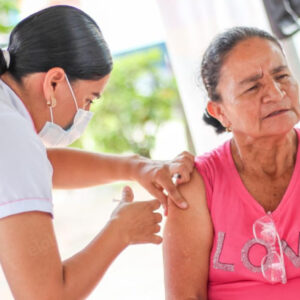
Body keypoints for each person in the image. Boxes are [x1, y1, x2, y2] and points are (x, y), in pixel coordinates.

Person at [0, 5, 194, 300]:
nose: (86, 113)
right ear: (54, 82)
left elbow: (38, 165)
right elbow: (45, 296)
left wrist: (136, 166)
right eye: (89, 99)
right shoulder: (10, 133)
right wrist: (121, 230)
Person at [163, 26, 300, 300]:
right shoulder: (198, 185)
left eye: (282, 75)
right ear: (219, 112)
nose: (276, 92)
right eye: (252, 86)